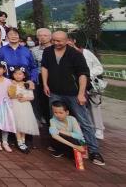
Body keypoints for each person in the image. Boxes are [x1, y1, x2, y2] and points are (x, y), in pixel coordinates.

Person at [41, 31, 105, 165]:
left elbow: (83, 74)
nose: (56, 43)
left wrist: (81, 93)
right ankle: (59, 146)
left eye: (60, 41)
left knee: (84, 121)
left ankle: (94, 150)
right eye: (54, 40)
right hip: (54, 91)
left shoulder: (75, 54)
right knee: (55, 120)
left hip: (73, 93)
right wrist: (45, 84)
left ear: (67, 40)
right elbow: (45, 67)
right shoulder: (47, 51)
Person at [69, 37, 105, 140]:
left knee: (94, 106)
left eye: (69, 42)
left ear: (73, 41)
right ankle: (88, 128)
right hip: (76, 85)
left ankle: (99, 128)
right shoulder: (67, 55)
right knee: (82, 107)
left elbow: (99, 67)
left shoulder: (85, 52)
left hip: (90, 84)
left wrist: (87, 74)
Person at [9, 67, 39, 153]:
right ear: (13, 75)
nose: (18, 76)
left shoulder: (27, 84)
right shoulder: (12, 83)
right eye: (15, 74)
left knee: (24, 123)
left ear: (24, 75)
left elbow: (32, 97)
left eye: (20, 74)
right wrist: (16, 96)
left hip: (25, 106)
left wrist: (25, 98)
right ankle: (19, 142)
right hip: (16, 105)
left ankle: (23, 140)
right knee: (17, 124)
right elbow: (10, 95)